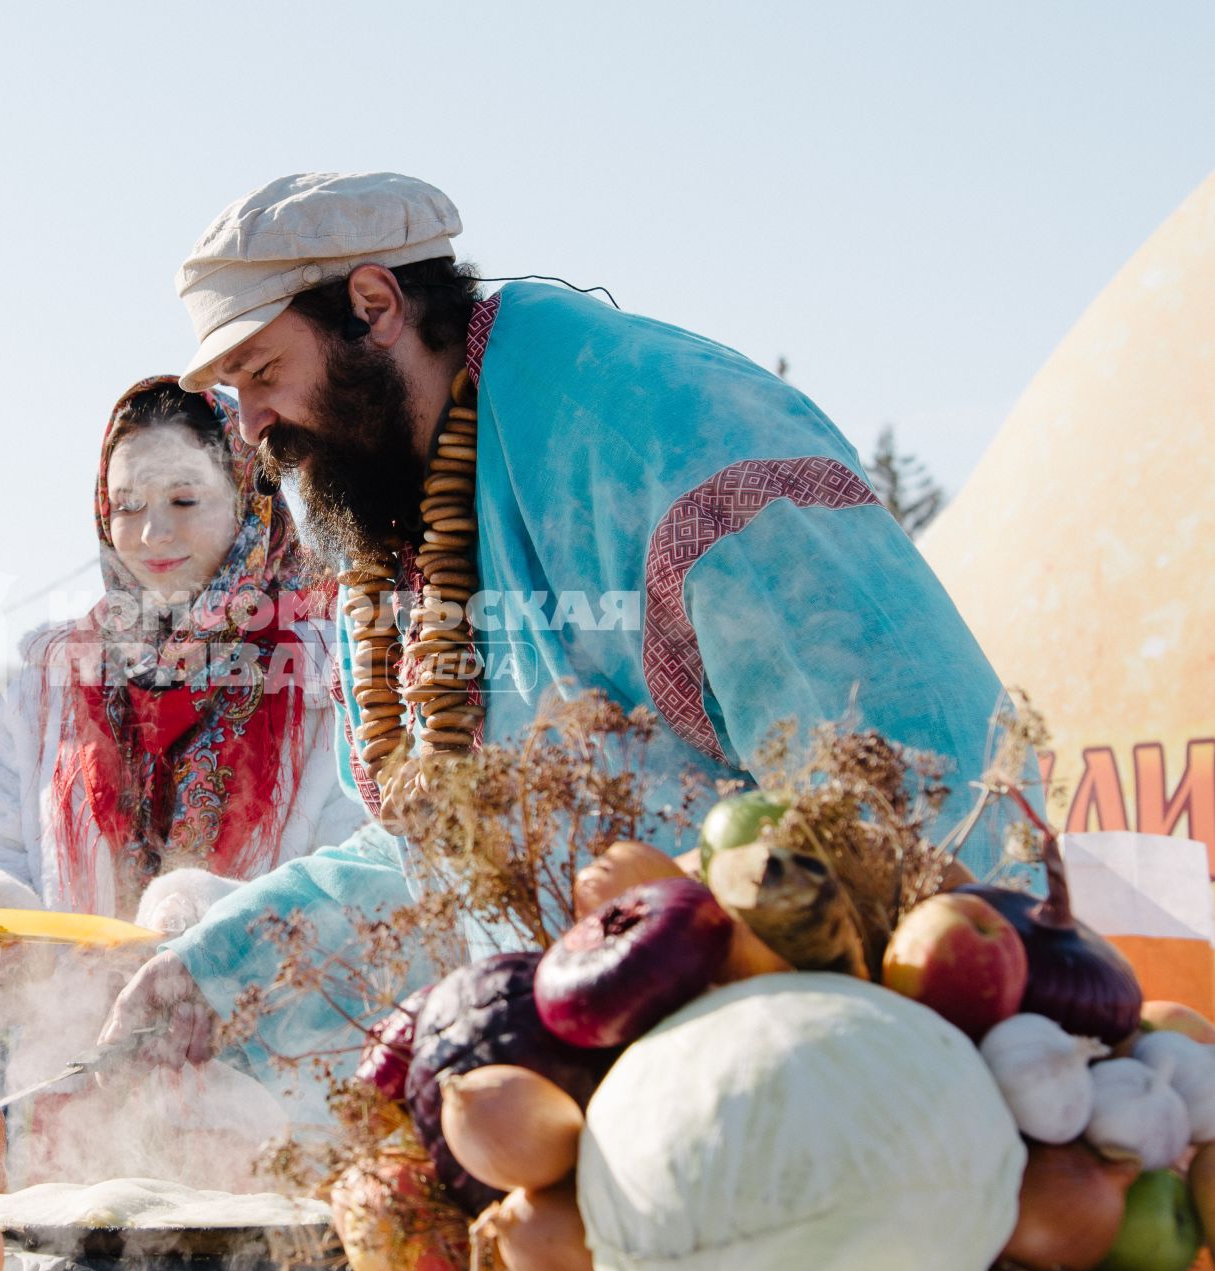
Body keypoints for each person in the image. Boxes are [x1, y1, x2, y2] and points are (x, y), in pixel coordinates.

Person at [100, 171, 1027, 1080]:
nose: (250, 425)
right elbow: (442, 855)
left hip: (823, 1076)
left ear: (375, 305)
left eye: (261, 371)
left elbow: (921, 785)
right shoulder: (388, 509)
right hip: (581, 1106)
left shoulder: (664, 430)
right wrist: (216, 975)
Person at [0, 378, 362, 1172]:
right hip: (74, 1108)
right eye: (126, 505)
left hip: (272, 1111)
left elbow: (355, 881)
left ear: (250, 494)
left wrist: (212, 934)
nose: (152, 532)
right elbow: (6, 844)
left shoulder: (330, 670)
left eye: (185, 499)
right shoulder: (55, 676)